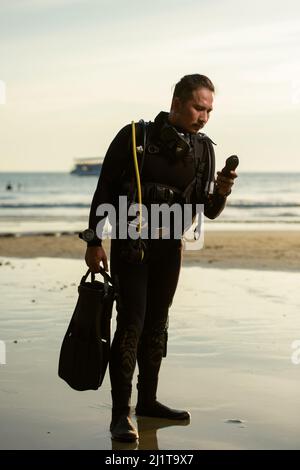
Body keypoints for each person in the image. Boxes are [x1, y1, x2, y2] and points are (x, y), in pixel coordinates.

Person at [83, 74, 237, 442]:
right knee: (131, 323)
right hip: (131, 243)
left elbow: (208, 209)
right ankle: (121, 413)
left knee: (158, 324)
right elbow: (104, 187)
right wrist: (93, 240)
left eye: (210, 110)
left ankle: (148, 401)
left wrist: (224, 191)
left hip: (171, 247)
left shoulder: (204, 149)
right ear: (178, 102)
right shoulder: (136, 136)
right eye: (200, 107)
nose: (205, 116)